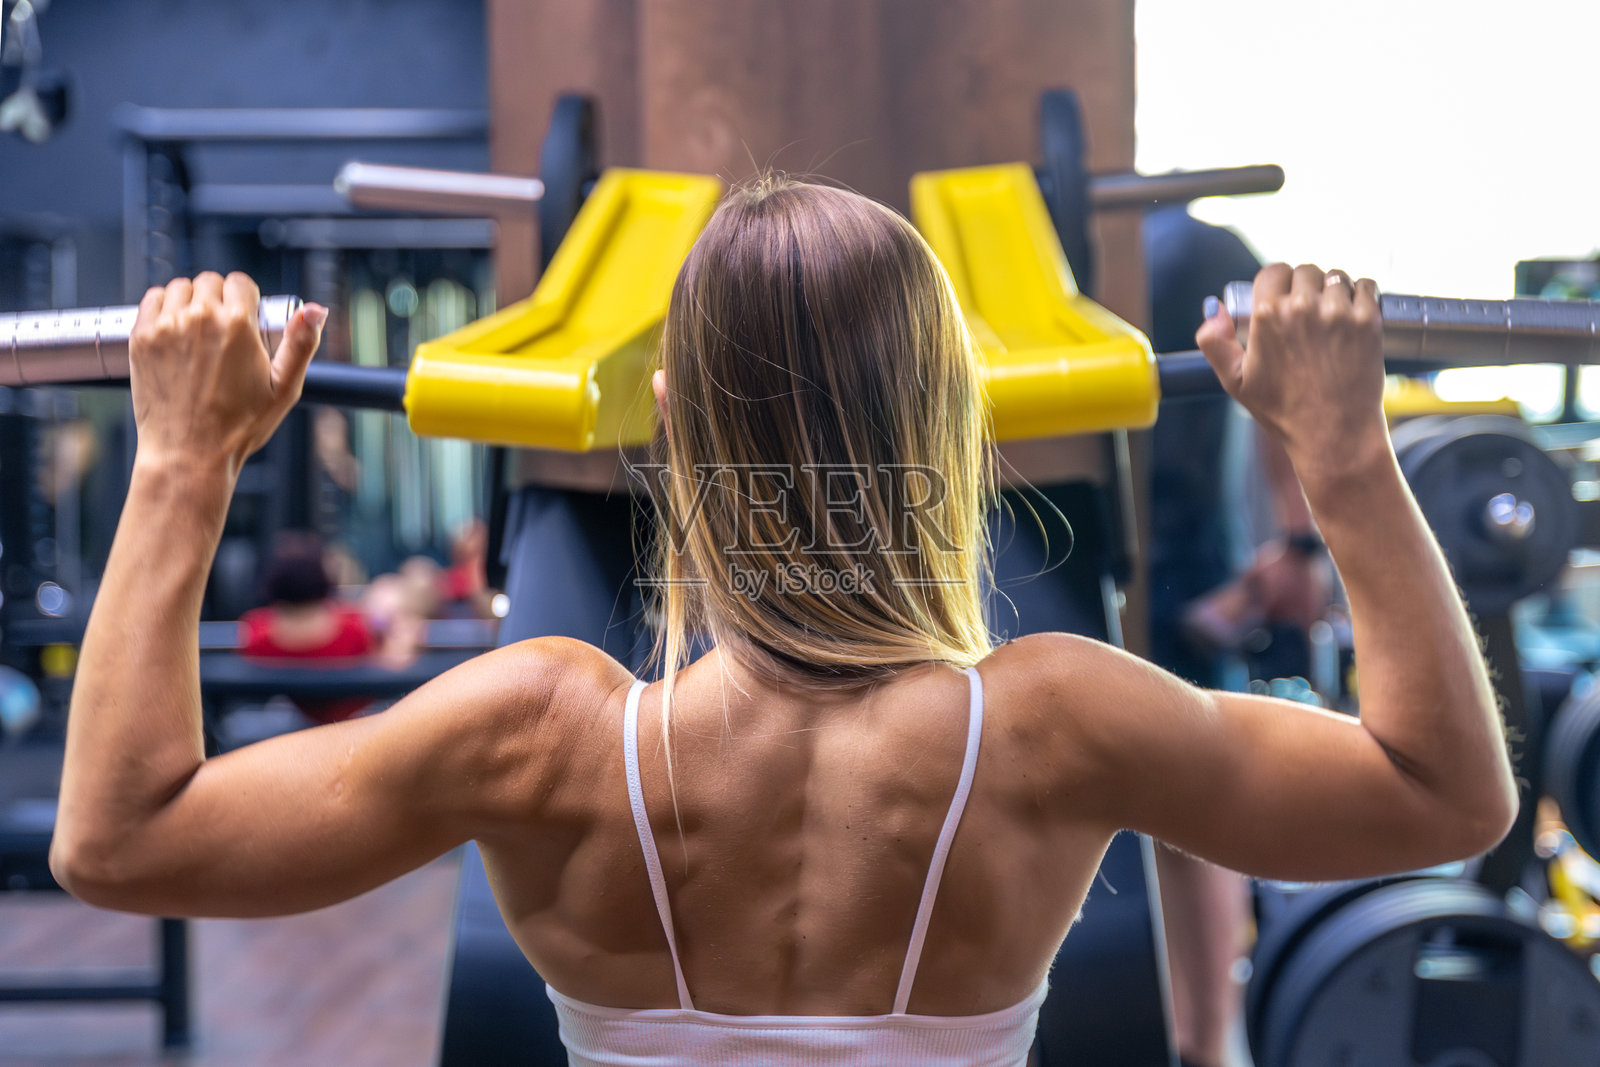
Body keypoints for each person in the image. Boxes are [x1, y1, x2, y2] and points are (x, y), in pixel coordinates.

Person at [51, 181, 1516, 1066]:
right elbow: (1447, 790)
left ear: (674, 425)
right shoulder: (1056, 722)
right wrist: (1344, 450)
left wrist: (184, 460)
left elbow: (120, 836)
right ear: (954, 423)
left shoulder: (537, 730)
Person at [238, 531, 379, 724]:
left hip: (287, 738)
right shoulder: (353, 627)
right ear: (322, 576)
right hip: (352, 726)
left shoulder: (256, 632)